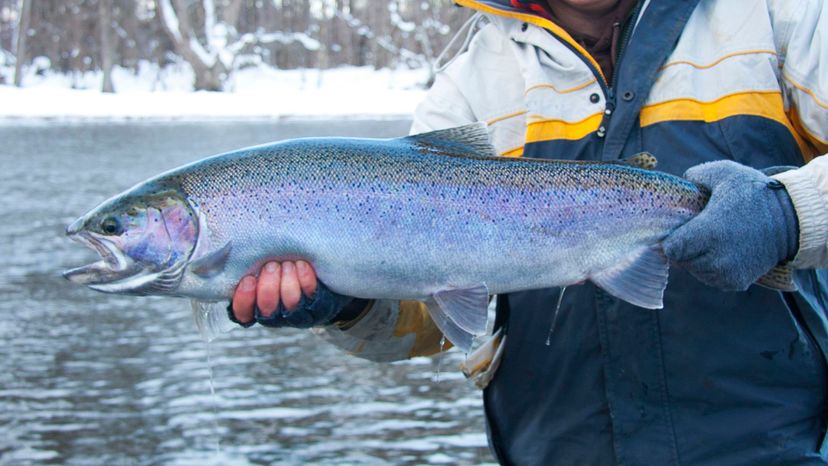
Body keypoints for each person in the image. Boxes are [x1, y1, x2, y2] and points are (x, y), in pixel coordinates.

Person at [229, 0, 828, 464]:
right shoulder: (469, 86)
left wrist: (790, 214)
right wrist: (345, 302)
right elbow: (426, 320)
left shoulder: (780, 17)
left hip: (776, 439)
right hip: (555, 446)